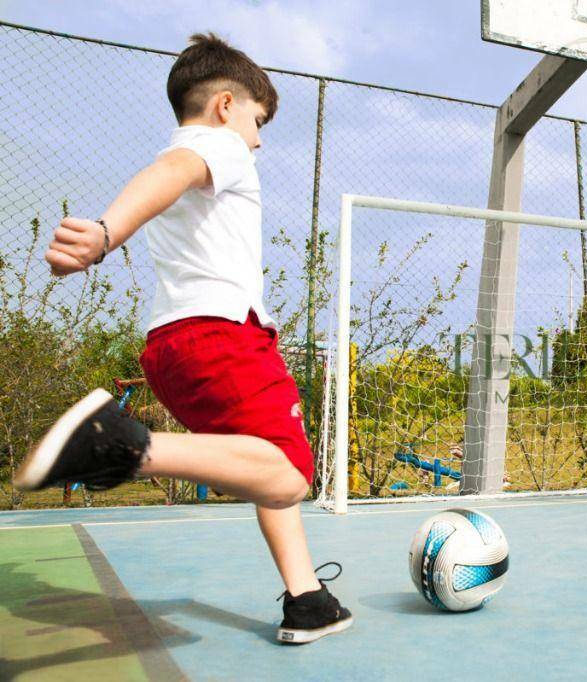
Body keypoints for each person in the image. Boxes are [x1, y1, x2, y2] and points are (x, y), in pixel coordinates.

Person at [13, 33, 351, 645]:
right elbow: (174, 171)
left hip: (172, 348)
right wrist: (105, 234)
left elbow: (167, 172)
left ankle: (307, 600)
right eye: (257, 119)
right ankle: (117, 447)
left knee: (260, 463)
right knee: (292, 473)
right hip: (223, 335)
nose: (258, 137)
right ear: (226, 105)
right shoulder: (216, 148)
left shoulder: (187, 152)